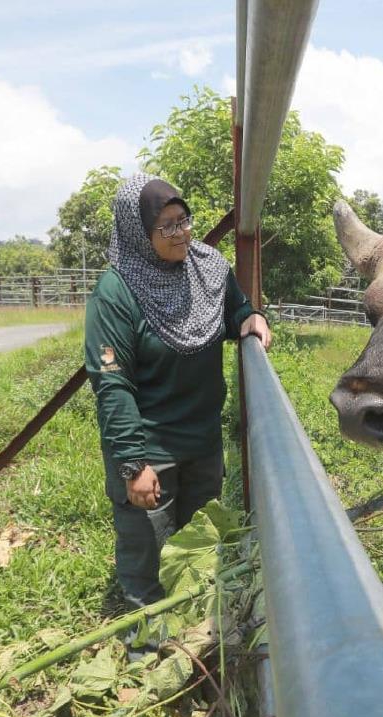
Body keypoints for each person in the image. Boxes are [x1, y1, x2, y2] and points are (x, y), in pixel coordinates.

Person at [84, 173, 271, 615]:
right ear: (138, 232)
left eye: (183, 220)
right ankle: (145, 648)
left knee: (198, 548)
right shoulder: (116, 293)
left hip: (202, 441)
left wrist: (250, 317)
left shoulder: (207, 267)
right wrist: (132, 464)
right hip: (150, 448)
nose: (181, 233)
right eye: (166, 225)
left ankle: (194, 634)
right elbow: (112, 385)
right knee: (146, 557)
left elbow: (234, 308)